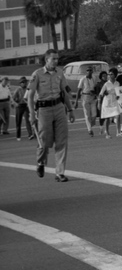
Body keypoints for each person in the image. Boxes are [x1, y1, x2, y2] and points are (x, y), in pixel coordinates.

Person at [28, 49, 75, 182]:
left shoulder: (60, 72)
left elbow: (65, 91)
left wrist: (70, 110)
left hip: (59, 108)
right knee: (44, 142)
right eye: (53, 59)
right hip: (44, 110)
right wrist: (32, 115)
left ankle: (60, 173)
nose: (56, 61)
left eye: (57, 58)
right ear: (46, 60)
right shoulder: (37, 74)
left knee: (62, 141)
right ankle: (41, 162)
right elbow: (30, 96)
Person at [74, 66, 97, 137]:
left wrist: (95, 93)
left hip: (92, 98)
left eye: (90, 70)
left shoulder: (94, 78)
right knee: (87, 115)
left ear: (92, 71)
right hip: (85, 97)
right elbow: (78, 90)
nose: (89, 71)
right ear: (86, 71)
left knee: (94, 115)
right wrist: (76, 101)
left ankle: (90, 124)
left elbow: (96, 87)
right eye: (88, 70)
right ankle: (89, 130)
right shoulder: (83, 79)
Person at [99, 68, 120, 139]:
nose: (110, 75)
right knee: (107, 118)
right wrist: (99, 103)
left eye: (111, 74)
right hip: (107, 102)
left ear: (115, 75)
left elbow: (119, 93)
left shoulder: (117, 83)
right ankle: (107, 133)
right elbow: (101, 94)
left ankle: (118, 132)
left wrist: (118, 96)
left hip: (114, 102)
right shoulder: (106, 84)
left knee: (118, 115)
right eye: (109, 74)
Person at [95, 71, 108, 135]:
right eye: (103, 76)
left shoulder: (109, 83)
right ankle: (101, 128)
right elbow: (97, 94)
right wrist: (98, 103)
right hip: (101, 101)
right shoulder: (98, 84)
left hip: (108, 101)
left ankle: (106, 129)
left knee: (107, 116)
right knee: (101, 116)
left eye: (106, 76)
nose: (105, 77)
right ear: (101, 77)